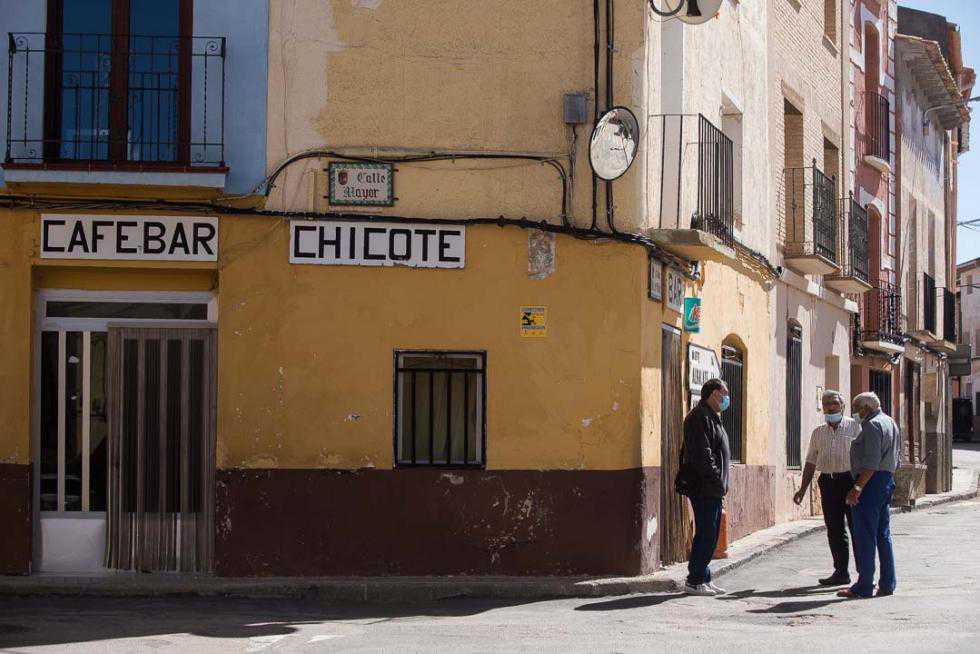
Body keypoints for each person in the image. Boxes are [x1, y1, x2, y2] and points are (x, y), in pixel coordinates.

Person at [793, 390, 862, 586]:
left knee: (857, 527)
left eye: (834, 404)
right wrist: (802, 489)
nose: (830, 408)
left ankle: (863, 572)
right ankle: (841, 572)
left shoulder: (855, 427)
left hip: (850, 481)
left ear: (842, 406)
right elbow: (810, 462)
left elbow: (865, 458)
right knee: (834, 529)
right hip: (828, 482)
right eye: (826, 404)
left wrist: (859, 486)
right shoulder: (818, 432)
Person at [837, 391, 900, 599]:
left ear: (866, 408)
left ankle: (864, 585)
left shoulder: (872, 425)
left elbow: (871, 462)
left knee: (865, 534)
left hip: (871, 482)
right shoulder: (890, 422)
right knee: (883, 534)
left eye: (857, 408)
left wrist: (857, 488)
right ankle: (888, 583)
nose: (855, 413)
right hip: (886, 480)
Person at [681, 378, 732, 596]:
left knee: (711, 533)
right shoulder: (698, 417)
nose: (727, 398)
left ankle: (704, 576)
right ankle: (694, 580)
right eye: (724, 393)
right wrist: (716, 480)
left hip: (713, 487)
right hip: (704, 486)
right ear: (713, 394)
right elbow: (703, 455)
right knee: (706, 532)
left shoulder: (712, 417)